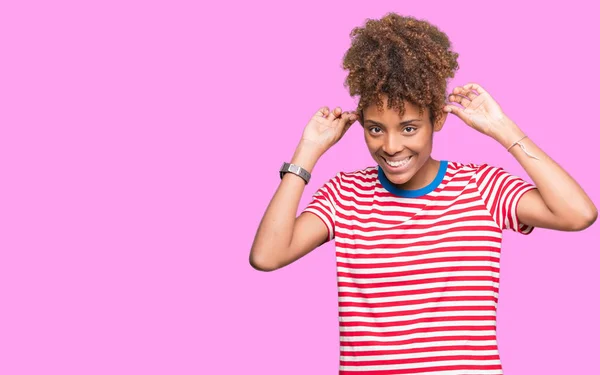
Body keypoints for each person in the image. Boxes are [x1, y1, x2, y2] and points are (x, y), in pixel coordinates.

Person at [249, 12, 597, 375]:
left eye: (409, 127)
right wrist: (307, 151)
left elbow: (578, 213)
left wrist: (503, 129)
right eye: (375, 129)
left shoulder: (482, 187)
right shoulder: (344, 195)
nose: (391, 146)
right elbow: (267, 256)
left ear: (438, 120)